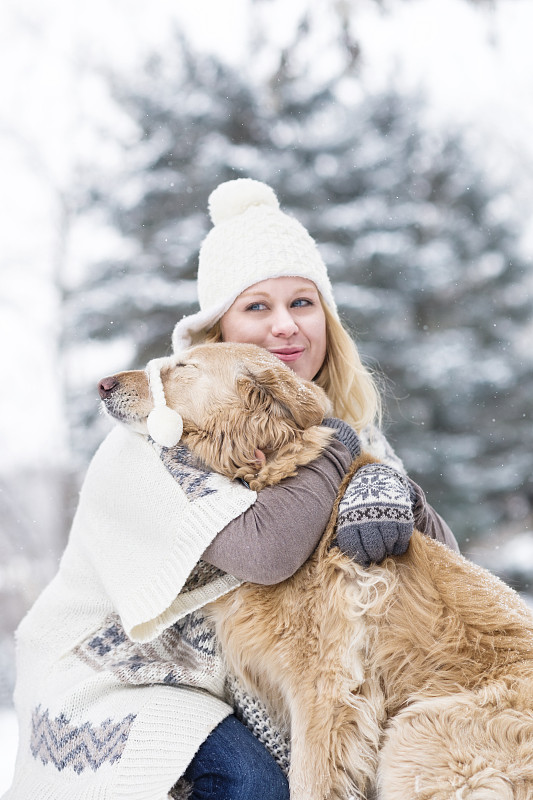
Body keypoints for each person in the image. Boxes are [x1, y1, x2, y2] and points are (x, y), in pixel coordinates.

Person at [5, 178, 458, 800]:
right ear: (217, 330)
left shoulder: (352, 436)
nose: (285, 327)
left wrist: (395, 489)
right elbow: (265, 554)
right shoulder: (155, 435)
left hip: (231, 689)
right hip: (115, 677)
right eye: (256, 307)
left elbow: (445, 570)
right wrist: (335, 450)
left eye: (302, 303)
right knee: (251, 783)